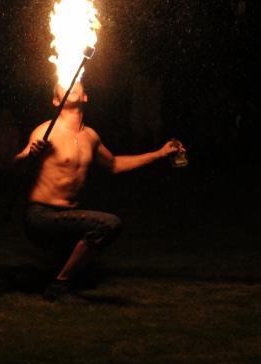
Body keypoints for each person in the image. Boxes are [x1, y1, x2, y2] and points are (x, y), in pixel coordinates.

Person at [14, 80, 186, 302]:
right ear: (56, 101)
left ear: (85, 96)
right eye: (64, 84)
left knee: (85, 277)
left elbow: (114, 164)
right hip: (41, 216)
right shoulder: (46, 131)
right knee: (108, 224)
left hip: (69, 217)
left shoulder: (91, 137)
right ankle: (59, 286)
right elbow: (16, 164)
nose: (71, 84)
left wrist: (159, 153)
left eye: (77, 83)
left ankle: (33, 275)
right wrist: (29, 155)